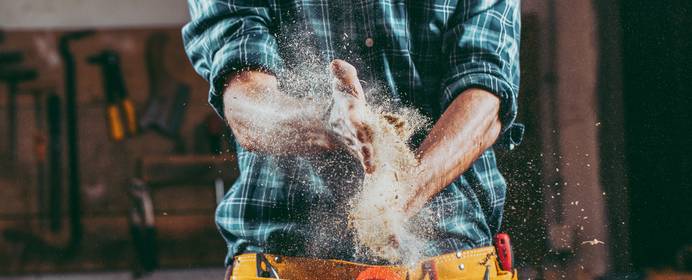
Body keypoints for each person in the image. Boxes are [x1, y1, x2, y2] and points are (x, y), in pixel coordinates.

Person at [183, 0, 522, 279]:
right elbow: (245, 101)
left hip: (455, 257)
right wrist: (327, 124)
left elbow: (486, 94)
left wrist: (404, 189)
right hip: (283, 261)